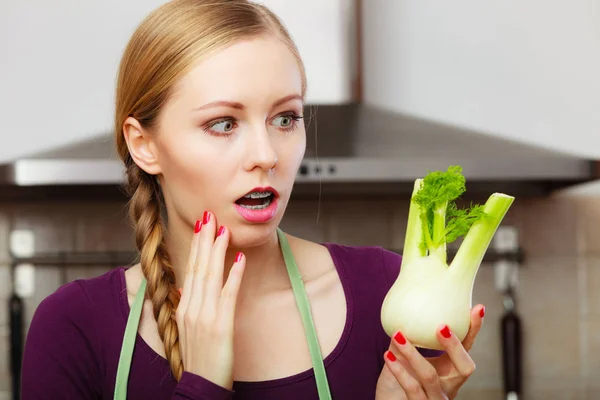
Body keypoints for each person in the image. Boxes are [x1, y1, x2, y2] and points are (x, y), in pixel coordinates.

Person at [21, 0, 485, 399]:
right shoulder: (74, 327)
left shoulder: (387, 294)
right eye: (223, 123)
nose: (266, 156)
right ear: (145, 145)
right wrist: (201, 384)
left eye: (285, 119)